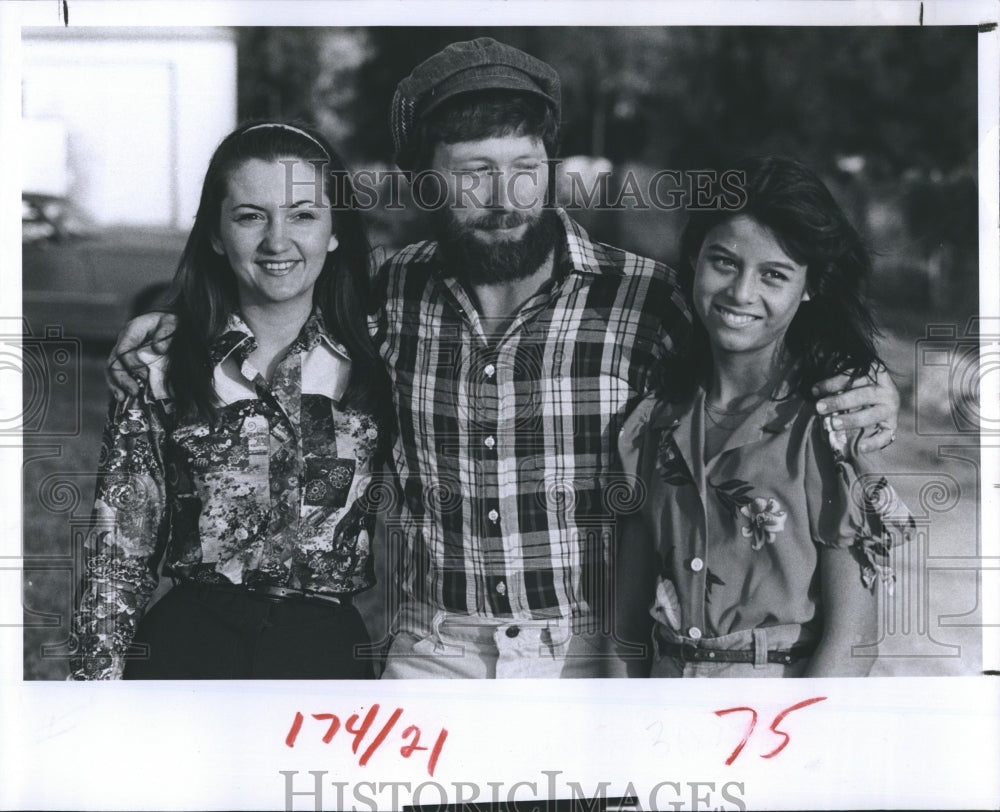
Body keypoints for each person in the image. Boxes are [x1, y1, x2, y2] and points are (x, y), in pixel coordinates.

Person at [104, 39, 901, 679]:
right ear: (429, 182)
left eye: (525, 169)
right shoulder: (383, 294)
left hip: (587, 648)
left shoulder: (645, 299)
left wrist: (876, 381)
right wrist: (169, 323)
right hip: (432, 649)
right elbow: (273, 286)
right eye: (475, 173)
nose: (505, 197)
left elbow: (769, 340)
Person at [70, 122, 387, 680]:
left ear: (335, 231)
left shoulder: (380, 359)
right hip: (189, 649)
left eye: (304, 214)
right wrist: (91, 706)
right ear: (216, 233)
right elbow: (117, 560)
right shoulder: (164, 366)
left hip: (326, 654)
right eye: (250, 215)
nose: (277, 240)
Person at [614, 156, 914, 678]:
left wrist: (803, 749)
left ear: (810, 286)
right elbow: (625, 628)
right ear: (694, 259)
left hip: (777, 717)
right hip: (661, 716)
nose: (740, 292)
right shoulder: (650, 424)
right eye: (724, 262)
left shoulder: (828, 428)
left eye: (773, 274)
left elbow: (854, 637)